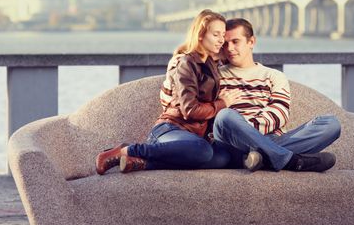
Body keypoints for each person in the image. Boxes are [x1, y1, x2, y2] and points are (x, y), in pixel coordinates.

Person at [95, 9, 240, 175]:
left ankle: (142, 163)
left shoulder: (211, 63)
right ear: (200, 35)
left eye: (223, 35)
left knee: (223, 158)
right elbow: (189, 110)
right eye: (216, 35)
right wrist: (222, 103)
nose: (222, 40)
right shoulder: (186, 62)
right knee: (203, 151)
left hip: (193, 137)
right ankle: (128, 150)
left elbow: (237, 57)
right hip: (171, 129)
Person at [213, 18, 341, 172]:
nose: (229, 48)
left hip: (272, 138)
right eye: (225, 44)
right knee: (225, 116)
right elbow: (214, 116)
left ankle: (259, 157)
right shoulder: (215, 76)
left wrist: (250, 132)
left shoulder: (274, 75)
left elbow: (279, 113)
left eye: (235, 41)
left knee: (331, 124)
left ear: (251, 42)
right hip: (232, 143)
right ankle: (291, 160)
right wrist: (242, 130)